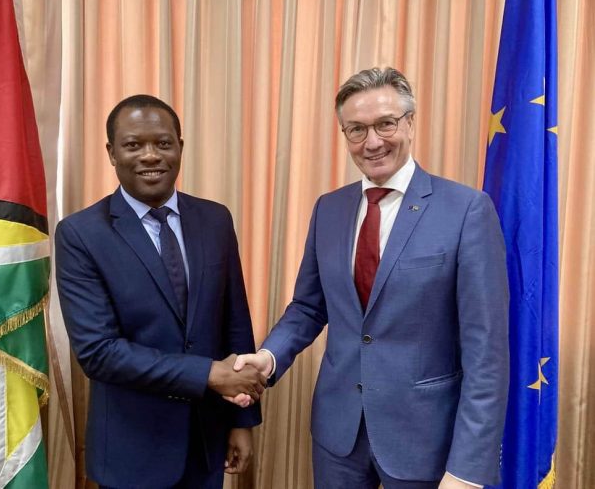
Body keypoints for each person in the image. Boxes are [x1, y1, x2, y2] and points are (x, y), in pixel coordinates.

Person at [232, 67, 509, 489]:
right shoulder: (329, 209)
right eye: (356, 129)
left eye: (385, 123)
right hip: (337, 437)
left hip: (425, 442)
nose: (373, 142)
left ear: (410, 123)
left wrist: (468, 469)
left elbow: (486, 353)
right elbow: (309, 306)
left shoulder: (467, 211)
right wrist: (268, 357)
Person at [55, 94, 266, 489]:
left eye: (163, 143)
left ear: (180, 148)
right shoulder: (81, 234)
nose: (151, 156)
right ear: (112, 152)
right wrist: (207, 374)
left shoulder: (215, 219)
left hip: (206, 444)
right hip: (131, 451)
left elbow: (235, 324)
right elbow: (99, 352)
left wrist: (241, 420)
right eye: (134, 145)